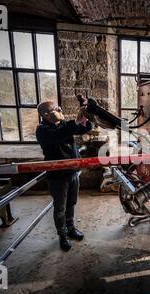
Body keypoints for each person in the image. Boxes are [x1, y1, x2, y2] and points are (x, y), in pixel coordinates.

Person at [36, 95, 93, 251]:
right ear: (46, 115)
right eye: (56, 109)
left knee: (71, 203)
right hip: (58, 176)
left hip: (73, 172)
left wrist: (86, 111)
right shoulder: (42, 130)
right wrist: (75, 121)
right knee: (60, 207)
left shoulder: (63, 125)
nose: (60, 110)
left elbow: (87, 128)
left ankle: (71, 228)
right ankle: (62, 235)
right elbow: (61, 135)